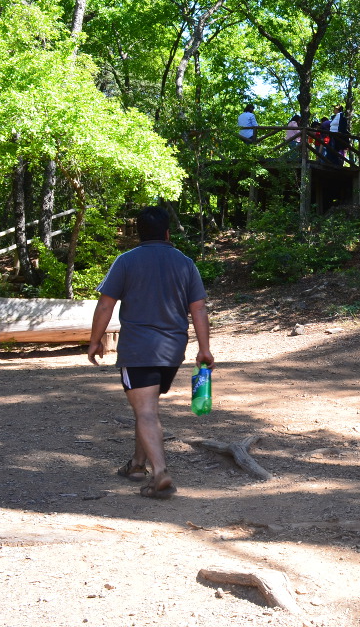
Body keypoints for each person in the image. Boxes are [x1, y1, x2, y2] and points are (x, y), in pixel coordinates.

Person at [87, 206, 213, 500]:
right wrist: (204, 349)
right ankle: (136, 465)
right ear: (168, 233)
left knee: (144, 411)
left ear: (138, 234)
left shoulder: (127, 261)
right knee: (148, 410)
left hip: (139, 348)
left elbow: (106, 305)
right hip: (172, 350)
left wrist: (94, 340)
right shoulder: (185, 263)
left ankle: (160, 473)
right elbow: (199, 308)